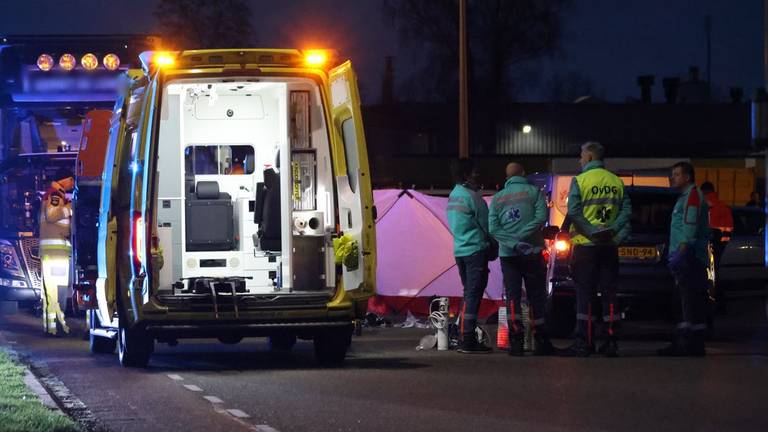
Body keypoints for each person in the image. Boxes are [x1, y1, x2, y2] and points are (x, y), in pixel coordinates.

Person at [564, 142, 631, 357]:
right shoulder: (616, 181)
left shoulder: (580, 181)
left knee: (585, 294)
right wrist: (613, 233)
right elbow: (626, 211)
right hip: (609, 247)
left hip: (586, 247)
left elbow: (574, 212)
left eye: (581, 156)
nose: (579, 160)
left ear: (591, 157)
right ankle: (611, 341)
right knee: (610, 293)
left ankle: (584, 341)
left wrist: (592, 232)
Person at [489, 162, 555, 356]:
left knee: (513, 296)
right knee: (536, 296)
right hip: (532, 252)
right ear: (523, 173)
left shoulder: (498, 198)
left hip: (509, 255)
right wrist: (523, 236)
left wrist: (512, 242)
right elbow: (541, 217)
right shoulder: (534, 192)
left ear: (507, 177)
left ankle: (516, 341)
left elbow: (493, 228)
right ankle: (541, 341)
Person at [658, 162, 710, 357]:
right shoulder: (686, 197)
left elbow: (689, 227)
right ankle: (691, 343)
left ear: (687, 177)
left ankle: (688, 344)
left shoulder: (692, 196)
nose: (674, 178)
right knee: (686, 301)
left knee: (687, 301)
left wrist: (681, 253)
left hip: (689, 256)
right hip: (688, 255)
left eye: (677, 174)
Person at [447, 158, 492, 353]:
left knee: (468, 292)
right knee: (473, 294)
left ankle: (463, 333)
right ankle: (467, 338)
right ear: (466, 175)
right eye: (474, 172)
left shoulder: (454, 195)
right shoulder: (473, 197)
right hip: (476, 250)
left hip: (460, 250)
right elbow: (486, 226)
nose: (477, 175)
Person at [39, 170, 74, 336]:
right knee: (57, 292)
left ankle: (52, 326)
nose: (73, 183)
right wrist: (69, 209)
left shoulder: (54, 195)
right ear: (64, 180)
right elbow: (52, 216)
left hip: (52, 253)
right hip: (56, 253)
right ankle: (56, 326)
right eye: (71, 179)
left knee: (52, 291)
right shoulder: (55, 195)